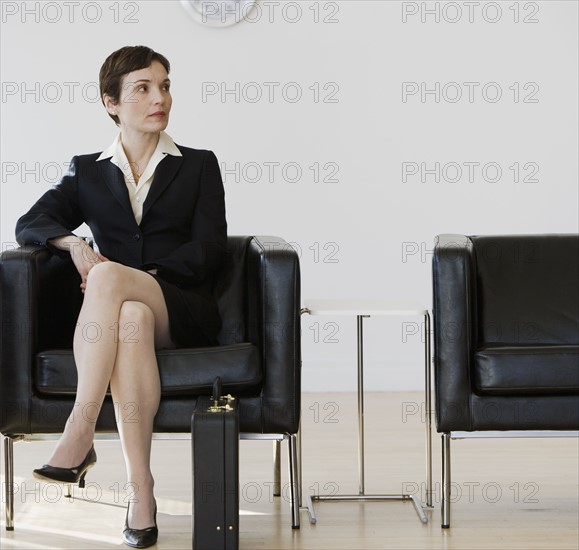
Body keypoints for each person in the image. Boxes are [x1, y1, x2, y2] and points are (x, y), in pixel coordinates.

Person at [15, 45, 227, 548]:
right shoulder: (86, 170)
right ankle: (142, 493)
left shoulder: (198, 165)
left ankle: (79, 432)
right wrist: (73, 243)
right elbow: (30, 223)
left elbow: (210, 250)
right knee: (127, 314)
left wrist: (138, 273)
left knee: (114, 281)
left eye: (165, 86)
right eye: (143, 88)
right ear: (110, 102)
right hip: (122, 316)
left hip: (180, 305)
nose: (160, 98)